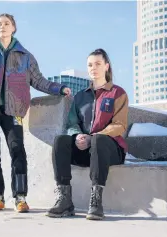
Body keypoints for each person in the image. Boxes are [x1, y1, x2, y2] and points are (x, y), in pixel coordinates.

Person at [0, 13, 72, 213]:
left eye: (6, 23)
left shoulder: (25, 56)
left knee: (17, 151)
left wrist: (59, 88)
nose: (2, 26)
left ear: (14, 27)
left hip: (14, 111)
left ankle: (20, 196)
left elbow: (39, 81)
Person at [46, 48, 128, 220]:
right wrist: (77, 136)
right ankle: (65, 199)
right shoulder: (80, 96)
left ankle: (96, 201)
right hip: (87, 151)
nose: (93, 68)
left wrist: (93, 138)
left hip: (110, 150)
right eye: (90, 65)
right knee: (60, 140)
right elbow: (72, 123)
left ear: (106, 66)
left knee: (99, 139)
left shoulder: (117, 93)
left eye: (98, 64)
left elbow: (119, 125)